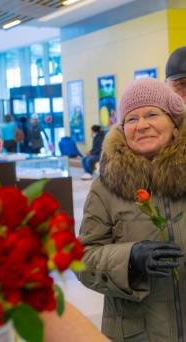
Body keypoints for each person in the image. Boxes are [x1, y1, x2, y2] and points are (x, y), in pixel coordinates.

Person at [77, 78, 186, 341]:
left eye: (152, 114)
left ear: (173, 123)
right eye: (131, 119)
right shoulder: (106, 187)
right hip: (138, 333)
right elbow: (81, 259)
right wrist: (129, 258)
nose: (142, 125)